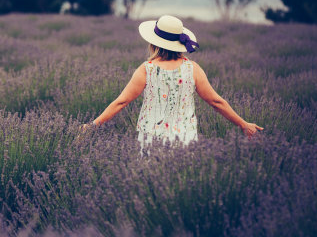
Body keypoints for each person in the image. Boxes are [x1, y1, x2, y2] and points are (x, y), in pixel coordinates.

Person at [85, 15, 263, 146]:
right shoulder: (193, 69)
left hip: (151, 139)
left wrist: (92, 125)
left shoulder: (146, 69)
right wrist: (243, 124)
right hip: (184, 139)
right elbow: (217, 102)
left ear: (153, 43)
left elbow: (121, 102)